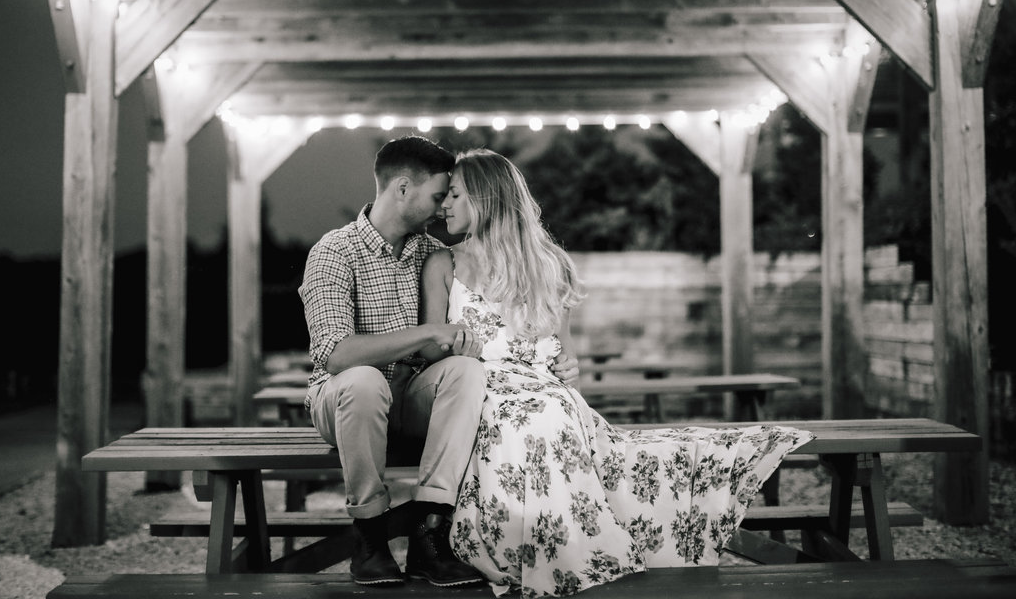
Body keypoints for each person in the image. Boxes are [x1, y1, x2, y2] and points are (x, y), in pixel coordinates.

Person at [420, 149, 814, 597]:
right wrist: (455, 347)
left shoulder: (548, 265)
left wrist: (570, 367)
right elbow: (435, 354)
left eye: (454, 194)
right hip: (479, 390)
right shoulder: (443, 264)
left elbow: (565, 357)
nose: (444, 205)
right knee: (520, 420)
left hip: (544, 391)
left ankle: (562, 543)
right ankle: (525, 542)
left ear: (486, 198)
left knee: (552, 411)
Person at [299, 135, 487, 587]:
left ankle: (430, 534)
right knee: (364, 381)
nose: (444, 208)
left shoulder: (432, 254)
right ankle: (370, 538)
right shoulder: (334, 251)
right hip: (343, 399)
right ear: (402, 188)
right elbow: (336, 353)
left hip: (410, 400)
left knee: (464, 370)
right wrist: (427, 333)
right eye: (439, 195)